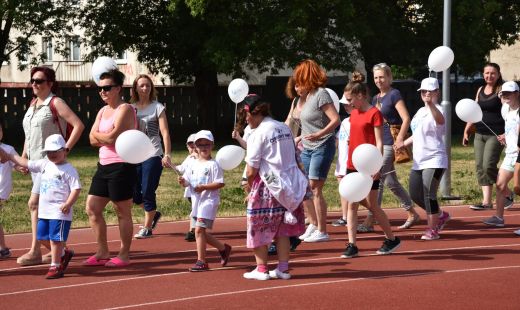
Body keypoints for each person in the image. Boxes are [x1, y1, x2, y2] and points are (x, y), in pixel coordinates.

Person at [18, 66, 84, 266]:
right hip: (36, 163)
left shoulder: (56, 103)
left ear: (50, 83)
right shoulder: (33, 104)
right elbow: (29, 135)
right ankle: (56, 250)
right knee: (42, 207)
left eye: (39, 81)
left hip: (50, 163)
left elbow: (78, 125)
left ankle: (37, 250)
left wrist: (66, 149)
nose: (34, 84)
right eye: (32, 80)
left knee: (34, 204)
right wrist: (24, 157)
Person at [240, 95, 307, 280]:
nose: (245, 120)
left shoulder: (258, 134)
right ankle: (283, 268)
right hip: (289, 185)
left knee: (257, 226)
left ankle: (261, 269)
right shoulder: (283, 127)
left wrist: (248, 185)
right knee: (282, 229)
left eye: (246, 115)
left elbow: (252, 168)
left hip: (267, 184)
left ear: (255, 113)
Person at [0, 134, 80, 278]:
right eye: (49, 152)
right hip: (44, 212)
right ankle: (63, 253)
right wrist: (11, 156)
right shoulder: (44, 164)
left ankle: (55, 266)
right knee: (42, 237)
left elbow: (76, 189)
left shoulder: (69, 170)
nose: (52, 155)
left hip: (60, 212)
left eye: (56, 151)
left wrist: (68, 203)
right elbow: (25, 162)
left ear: (65, 150)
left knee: (56, 240)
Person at [341, 72, 401, 258]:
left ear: (360, 96)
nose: (348, 103)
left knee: (373, 205)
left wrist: (377, 166)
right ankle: (352, 244)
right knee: (351, 204)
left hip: (368, 165)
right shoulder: (353, 114)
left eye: (351, 99)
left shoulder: (374, 113)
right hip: (352, 163)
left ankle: (391, 239)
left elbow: (379, 142)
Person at [84, 69, 137, 268]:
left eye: (107, 88)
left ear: (118, 88)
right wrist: (102, 137)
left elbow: (111, 138)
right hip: (104, 165)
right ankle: (102, 251)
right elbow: (90, 139)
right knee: (92, 208)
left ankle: (124, 254)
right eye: (100, 89)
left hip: (122, 165)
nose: (102, 92)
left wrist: (100, 136)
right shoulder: (102, 111)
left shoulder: (125, 109)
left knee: (122, 211)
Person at [360, 63, 418, 231]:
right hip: (378, 144)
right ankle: (412, 212)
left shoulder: (394, 94)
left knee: (376, 178)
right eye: (376, 77)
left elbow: (406, 118)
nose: (379, 80)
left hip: (389, 144)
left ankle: (371, 218)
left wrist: (400, 139)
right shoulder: (375, 98)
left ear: (389, 77)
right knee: (391, 181)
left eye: (382, 77)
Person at [292, 59, 340, 242]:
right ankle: (313, 224)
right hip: (307, 148)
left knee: (315, 187)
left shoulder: (321, 94)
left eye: (300, 78)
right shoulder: (307, 97)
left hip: (322, 145)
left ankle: (322, 230)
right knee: (306, 188)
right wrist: (299, 137)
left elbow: (335, 120)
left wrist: (319, 133)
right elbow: (303, 123)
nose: (298, 83)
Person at [401, 78, 450, 240]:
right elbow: (417, 134)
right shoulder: (420, 112)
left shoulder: (439, 109)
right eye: (423, 91)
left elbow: (440, 122)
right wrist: (403, 143)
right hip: (419, 160)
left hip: (435, 159)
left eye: (430, 91)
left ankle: (433, 229)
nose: (426, 94)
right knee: (415, 194)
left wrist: (430, 104)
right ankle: (441, 215)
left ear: (437, 92)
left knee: (429, 194)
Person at [178, 130, 232, 272]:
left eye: (206, 144)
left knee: (199, 230)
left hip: (208, 202)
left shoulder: (214, 165)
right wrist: (183, 181)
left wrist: (204, 187)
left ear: (212, 145)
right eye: (200, 144)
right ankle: (223, 248)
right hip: (197, 203)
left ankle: (202, 261)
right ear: (195, 146)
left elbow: (220, 183)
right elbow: (187, 182)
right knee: (200, 232)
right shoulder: (192, 164)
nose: (203, 147)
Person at [463, 63, 513, 210]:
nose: (489, 76)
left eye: (493, 73)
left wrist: (506, 133)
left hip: (496, 135)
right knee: (480, 166)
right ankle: (487, 202)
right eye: (486, 73)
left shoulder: (501, 91)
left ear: (498, 74)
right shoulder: (480, 89)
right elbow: (474, 110)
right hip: (479, 133)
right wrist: (467, 130)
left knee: (488, 165)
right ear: (483, 74)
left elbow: (510, 112)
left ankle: (507, 192)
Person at [130, 75, 172, 239]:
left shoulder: (158, 107)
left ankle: (147, 228)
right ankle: (153, 214)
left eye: (147, 86)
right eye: (141, 86)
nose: (145, 89)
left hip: (153, 153)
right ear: (136, 88)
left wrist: (167, 153)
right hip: (134, 154)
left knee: (147, 189)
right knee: (134, 193)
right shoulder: (130, 108)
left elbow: (165, 133)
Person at [483, 81, 520, 227]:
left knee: (519, 187)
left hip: (519, 155)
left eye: (509, 93)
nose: (506, 96)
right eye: (503, 94)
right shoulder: (505, 109)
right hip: (510, 154)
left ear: (517, 94)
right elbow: (511, 128)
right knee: (500, 184)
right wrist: (505, 135)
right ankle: (499, 218)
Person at [332, 95, 354, 227]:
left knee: (351, 192)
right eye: (344, 104)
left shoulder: (357, 120)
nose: (345, 106)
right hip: (341, 161)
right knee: (343, 190)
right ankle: (345, 216)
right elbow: (337, 139)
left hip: (351, 162)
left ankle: (354, 217)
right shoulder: (345, 121)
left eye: (348, 103)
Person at [0, 124, 21, 259]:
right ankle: (2, 248)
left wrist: (22, 168)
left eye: (0, 129)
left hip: (1, 188)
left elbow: (17, 163)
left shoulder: (8, 149)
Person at [175, 133, 198, 242]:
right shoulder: (189, 158)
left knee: (195, 210)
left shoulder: (201, 159)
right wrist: (172, 165)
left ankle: (193, 231)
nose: (193, 148)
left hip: (199, 190)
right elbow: (181, 168)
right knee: (194, 210)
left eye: (195, 145)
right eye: (190, 146)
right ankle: (194, 230)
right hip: (190, 190)